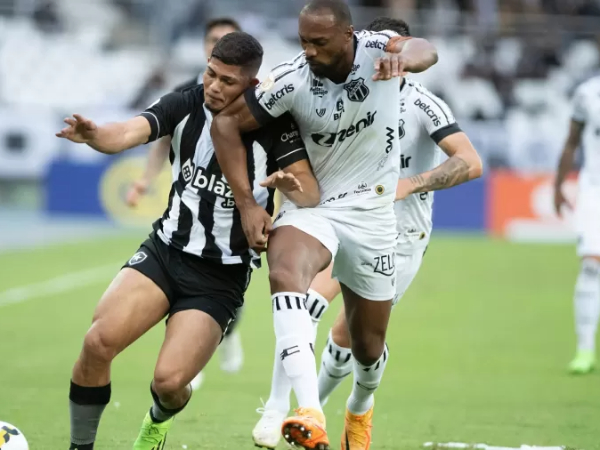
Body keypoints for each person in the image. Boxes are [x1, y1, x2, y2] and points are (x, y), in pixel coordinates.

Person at [56, 32, 319, 450]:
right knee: (97, 343)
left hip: (218, 277)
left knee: (169, 384)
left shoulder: (275, 124)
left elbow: (310, 193)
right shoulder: (184, 103)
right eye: (210, 73)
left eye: (227, 81)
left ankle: (157, 422)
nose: (213, 86)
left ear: (251, 85)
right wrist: (95, 135)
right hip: (165, 252)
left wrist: (290, 184)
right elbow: (126, 132)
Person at [210, 1, 439, 448]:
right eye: (303, 41)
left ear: (348, 35)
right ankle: (308, 410)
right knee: (285, 273)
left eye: (319, 42)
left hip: (373, 217)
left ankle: (359, 406)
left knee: (367, 347)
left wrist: (405, 60)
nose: (309, 51)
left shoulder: (378, 50)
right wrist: (248, 205)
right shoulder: (291, 81)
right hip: (315, 207)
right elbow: (225, 125)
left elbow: (425, 49)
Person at [251, 16, 483, 449]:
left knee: (355, 344)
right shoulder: (337, 90)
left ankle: (358, 406)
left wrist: (408, 185)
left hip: (399, 234)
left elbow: (471, 162)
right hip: (339, 217)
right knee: (305, 302)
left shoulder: (422, 104)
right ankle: (289, 411)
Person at [126, 17, 244, 390]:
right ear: (205, 47)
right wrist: (145, 180)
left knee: (226, 275)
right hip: (187, 210)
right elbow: (161, 138)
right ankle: (186, 352)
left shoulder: (257, 101)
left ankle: (224, 334)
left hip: (234, 215)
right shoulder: (185, 94)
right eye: (213, 40)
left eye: (227, 39)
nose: (218, 45)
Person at [554, 74, 600, 375]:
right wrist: (558, 186)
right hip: (594, 189)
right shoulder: (587, 93)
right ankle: (585, 350)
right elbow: (572, 142)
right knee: (591, 266)